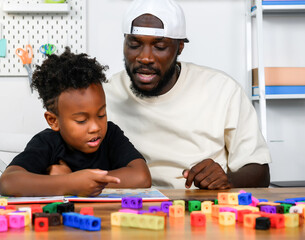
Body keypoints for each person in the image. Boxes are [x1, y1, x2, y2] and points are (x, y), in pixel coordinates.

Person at [104, 0, 271, 190]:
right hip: (129, 207)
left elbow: (260, 172)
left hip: (199, 206)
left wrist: (227, 180)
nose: (145, 57)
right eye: (134, 44)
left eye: (159, 46)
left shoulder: (221, 90)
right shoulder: (104, 94)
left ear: (180, 47)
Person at [0, 47, 151, 197]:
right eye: (81, 120)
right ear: (53, 121)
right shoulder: (47, 143)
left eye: (101, 115)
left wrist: (76, 181)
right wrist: (70, 184)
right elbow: (7, 183)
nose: (95, 127)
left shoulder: (111, 135)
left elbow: (141, 176)